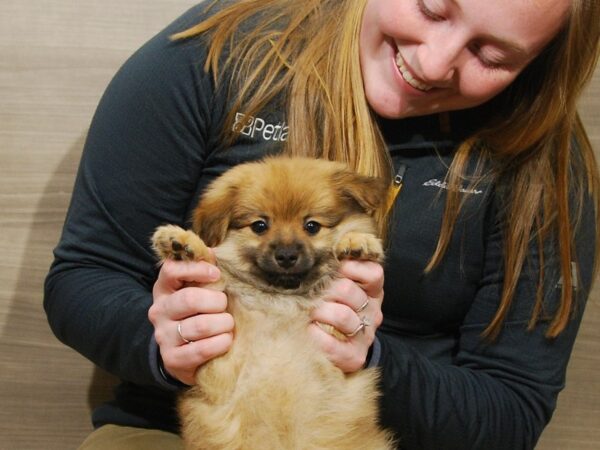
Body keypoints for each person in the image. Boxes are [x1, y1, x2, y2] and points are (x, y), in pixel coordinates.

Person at [44, 0, 600, 449]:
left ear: (537, 64)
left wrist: (368, 357)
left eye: (493, 55)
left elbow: (512, 411)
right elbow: (84, 276)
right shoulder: (218, 56)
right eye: (431, 10)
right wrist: (164, 340)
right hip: (186, 428)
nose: (434, 62)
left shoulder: (546, 169)